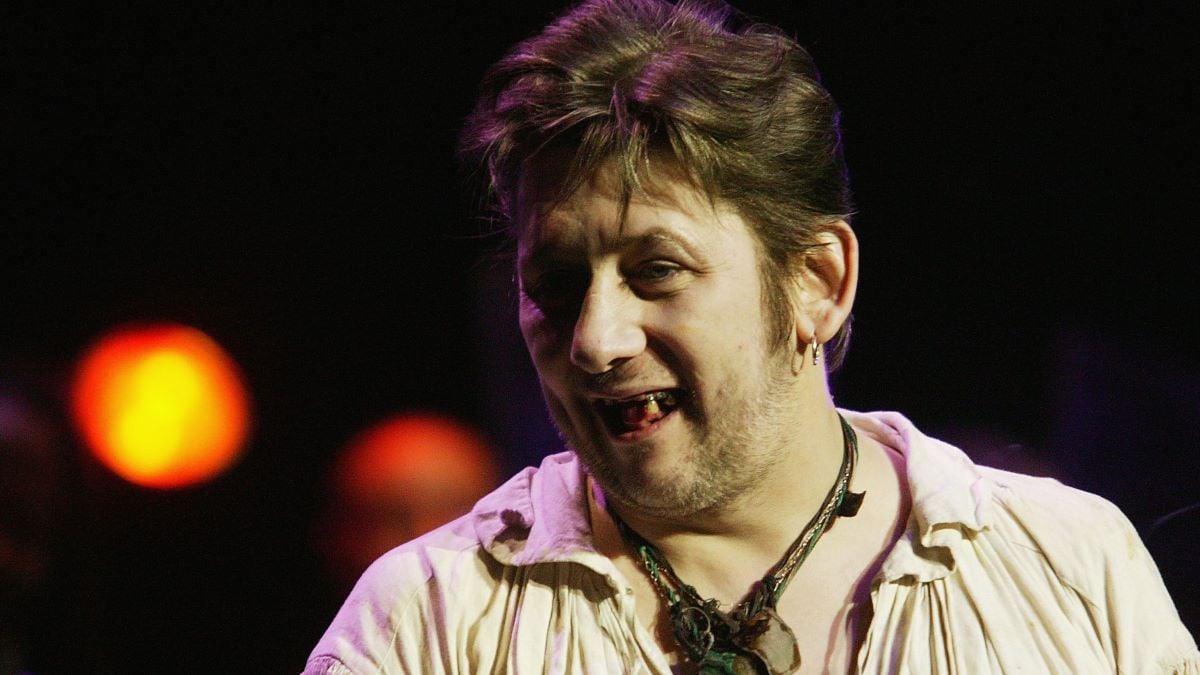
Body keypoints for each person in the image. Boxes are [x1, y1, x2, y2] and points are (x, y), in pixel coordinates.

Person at [304, 0, 1199, 672]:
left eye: (656, 270)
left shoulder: (1070, 567)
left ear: (817, 282)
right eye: (555, 286)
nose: (595, 339)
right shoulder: (424, 621)